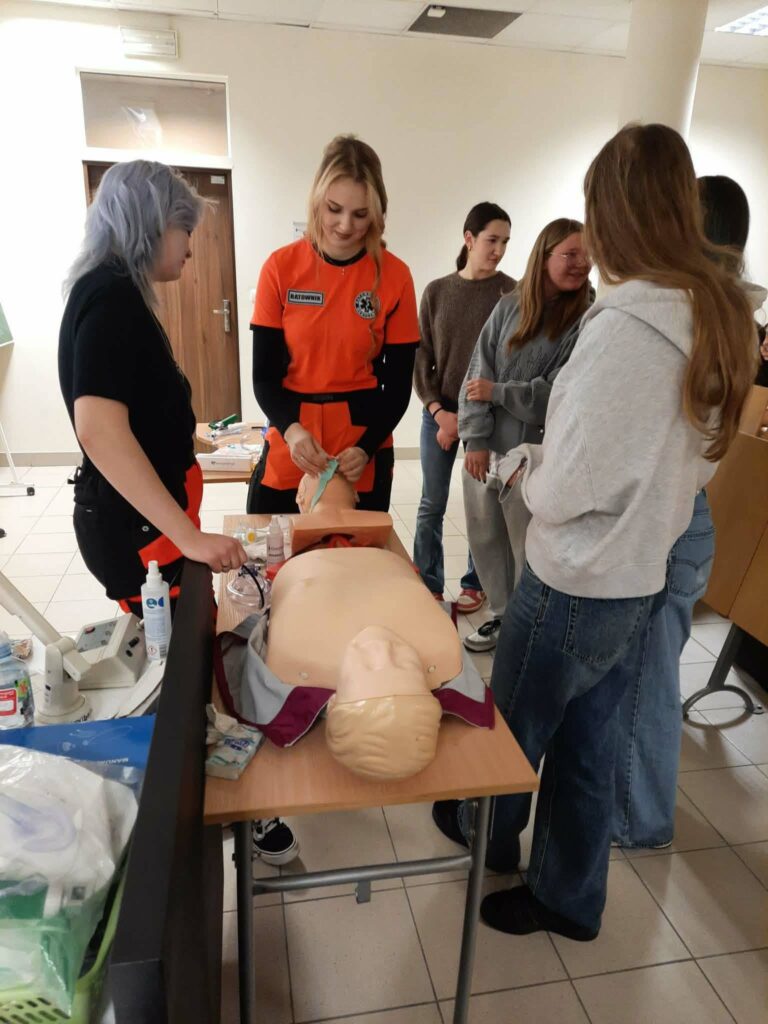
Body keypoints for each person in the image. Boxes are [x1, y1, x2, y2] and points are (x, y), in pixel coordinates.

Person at [434, 124, 757, 941]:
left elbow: (571, 486)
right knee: (588, 745)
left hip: (574, 578)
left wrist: (526, 469)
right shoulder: (711, 319)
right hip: (638, 573)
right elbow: (694, 466)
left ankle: (484, 837)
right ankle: (568, 898)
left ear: (613, 215)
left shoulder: (626, 329)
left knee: (513, 729)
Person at [612, 174, 767, 849]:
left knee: (646, 685)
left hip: (670, 521)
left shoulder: (694, 316)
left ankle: (640, 822)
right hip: (687, 515)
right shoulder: (735, 316)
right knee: (648, 679)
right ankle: (633, 806)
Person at [59, 160, 248, 617]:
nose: (189, 248)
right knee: (180, 646)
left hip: (153, 525)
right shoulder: (111, 296)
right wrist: (189, 538)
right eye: (185, 230)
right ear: (151, 224)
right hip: (141, 533)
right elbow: (99, 431)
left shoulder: (113, 291)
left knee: (185, 636)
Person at [248, 135, 419, 514]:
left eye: (360, 214)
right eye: (334, 209)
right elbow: (263, 377)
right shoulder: (280, 268)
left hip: (361, 440)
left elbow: (398, 386)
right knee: (274, 544)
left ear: (377, 213)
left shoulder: (395, 277)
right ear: (317, 201)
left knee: (359, 547)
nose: (345, 225)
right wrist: (292, 430)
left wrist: (367, 447)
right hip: (295, 434)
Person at [458, 219, 591, 653]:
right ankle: (501, 615)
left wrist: (499, 392)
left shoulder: (585, 319)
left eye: (587, 255)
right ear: (544, 255)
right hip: (487, 451)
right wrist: (475, 440)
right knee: (485, 538)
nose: (581, 263)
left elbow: (558, 392)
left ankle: (525, 627)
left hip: (534, 455)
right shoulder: (509, 306)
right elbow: (477, 372)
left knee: (526, 545)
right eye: (570, 254)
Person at [412, 203, 515, 611]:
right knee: (431, 503)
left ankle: (477, 582)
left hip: (488, 418)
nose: (499, 250)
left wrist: (475, 423)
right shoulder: (437, 292)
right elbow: (422, 359)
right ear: (469, 239)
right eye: (492, 240)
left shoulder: (512, 294)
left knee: (483, 505)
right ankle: (428, 584)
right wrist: (439, 413)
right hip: (439, 415)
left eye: (505, 242)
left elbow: (510, 363)